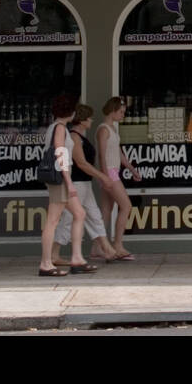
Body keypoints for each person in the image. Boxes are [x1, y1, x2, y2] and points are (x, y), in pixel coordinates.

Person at [54, 104, 115, 265]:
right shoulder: (74, 137)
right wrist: (102, 176)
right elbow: (81, 163)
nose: (92, 120)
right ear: (82, 121)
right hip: (76, 183)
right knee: (68, 218)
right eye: (89, 118)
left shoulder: (80, 137)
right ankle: (54, 252)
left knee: (94, 215)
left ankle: (106, 247)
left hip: (85, 184)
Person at [39, 101, 93, 276]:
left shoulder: (54, 127)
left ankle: (77, 259)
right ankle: (46, 263)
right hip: (61, 179)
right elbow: (60, 153)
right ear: (69, 112)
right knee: (53, 221)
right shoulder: (60, 128)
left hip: (61, 178)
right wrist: (69, 182)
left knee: (79, 214)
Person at [97, 97, 140, 261]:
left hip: (112, 172)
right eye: (121, 112)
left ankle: (98, 247)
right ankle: (118, 245)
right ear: (112, 111)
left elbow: (119, 154)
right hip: (109, 173)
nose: (123, 115)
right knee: (126, 206)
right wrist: (105, 175)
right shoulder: (104, 130)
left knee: (106, 211)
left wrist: (131, 168)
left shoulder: (112, 129)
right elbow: (101, 154)